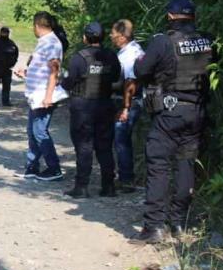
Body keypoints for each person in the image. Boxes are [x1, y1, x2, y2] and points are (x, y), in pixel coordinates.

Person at [132, 0, 214, 243]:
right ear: (193, 16)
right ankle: (179, 223)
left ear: (170, 16)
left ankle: (154, 227)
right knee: (186, 164)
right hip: (197, 111)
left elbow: (141, 71)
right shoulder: (208, 41)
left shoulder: (162, 42)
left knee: (158, 165)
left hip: (169, 111)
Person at [61, 22, 121, 198]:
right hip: (104, 105)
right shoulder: (111, 56)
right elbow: (116, 77)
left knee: (84, 146)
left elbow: (69, 82)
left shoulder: (79, 57)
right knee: (104, 147)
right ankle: (108, 186)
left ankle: (81, 187)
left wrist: (62, 81)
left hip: (83, 107)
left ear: (85, 38)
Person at [15, 11, 68, 181]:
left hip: (43, 96)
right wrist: (26, 72)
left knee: (40, 131)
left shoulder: (52, 43)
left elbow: (54, 72)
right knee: (32, 131)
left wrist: (48, 96)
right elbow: (41, 69)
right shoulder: (43, 42)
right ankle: (32, 166)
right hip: (35, 95)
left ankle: (54, 168)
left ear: (37, 26)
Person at [110, 19, 145, 193]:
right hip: (129, 101)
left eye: (114, 34)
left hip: (131, 102)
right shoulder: (130, 51)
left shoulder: (130, 55)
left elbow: (131, 83)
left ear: (123, 36)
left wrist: (125, 108)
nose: (111, 36)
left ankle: (126, 179)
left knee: (121, 139)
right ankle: (124, 176)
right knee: (122, 139)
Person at [0, 26, 19, 107]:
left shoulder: (11, 43)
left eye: (6, 32)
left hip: (7, 68)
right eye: (3, 32)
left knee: (7, 86)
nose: (4, 34)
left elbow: (16, 54)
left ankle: (5, 102)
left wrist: (13, 63)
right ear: (0, 32)